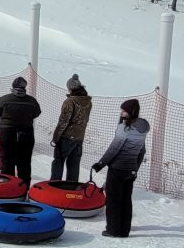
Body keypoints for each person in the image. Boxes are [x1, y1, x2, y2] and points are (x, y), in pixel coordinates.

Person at [93, 99, 149, 238]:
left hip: (117, 169)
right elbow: (142, 151)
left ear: (130, 112)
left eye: (123, 110)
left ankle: (113, 230)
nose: (121, 112)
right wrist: (135, 168)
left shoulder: (124, 129)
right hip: (130, 170)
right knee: (126, 200)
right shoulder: (142, 130)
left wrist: (100, 164)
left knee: (113, 200)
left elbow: (114, 149)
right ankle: (124, 230)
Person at [0, 77, 41, 185]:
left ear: (13, 86)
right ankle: (24, 187)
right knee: (24, 162)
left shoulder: (4, 99)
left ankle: (8, 188)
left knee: (7, 160)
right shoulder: (31, 101)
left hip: (7, 132)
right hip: (26, 133)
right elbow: (37, 112)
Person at [50, 74, 93, 182]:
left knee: (58, 161)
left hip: (67, 136)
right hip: (79, 137)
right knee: (74, 164)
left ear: (70, 88)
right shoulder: (88, 102)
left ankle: (55, 185)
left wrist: (56, 137)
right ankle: (72, 187)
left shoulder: (70, 102)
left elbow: (63, 121)